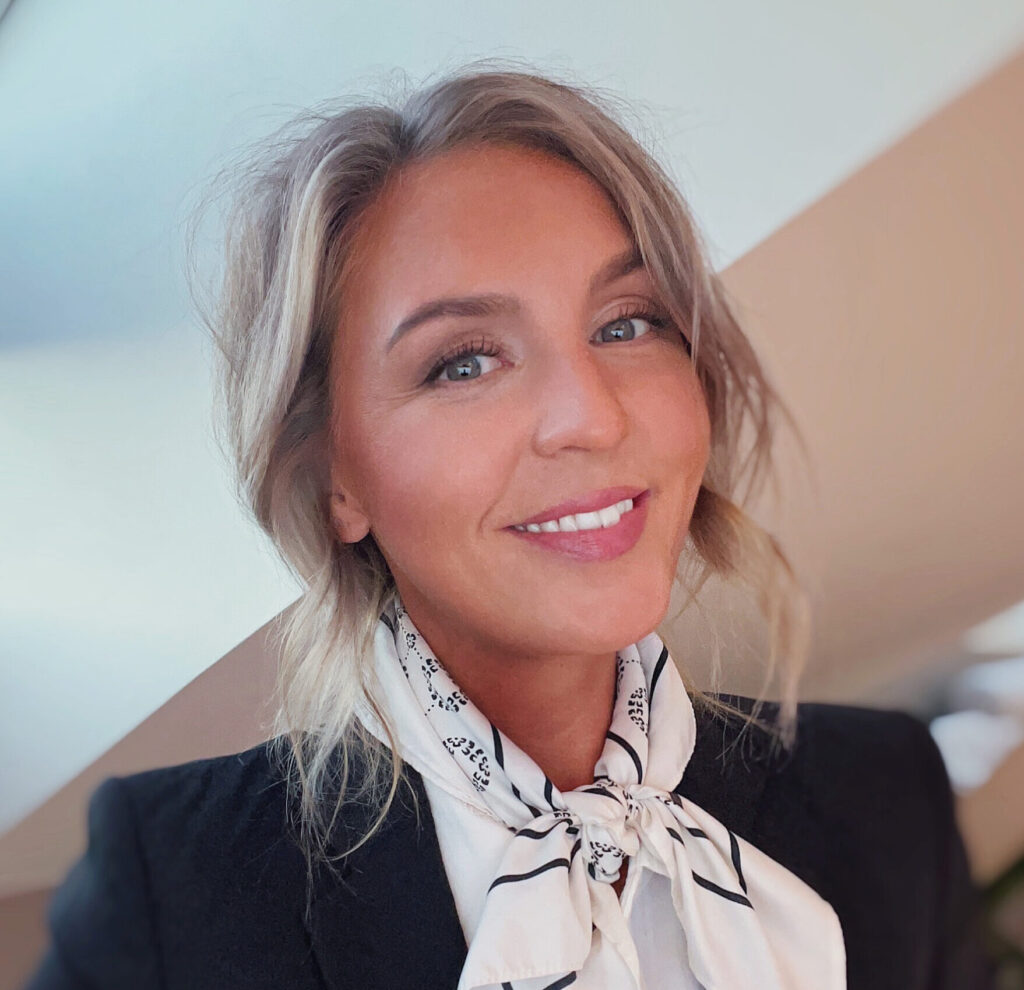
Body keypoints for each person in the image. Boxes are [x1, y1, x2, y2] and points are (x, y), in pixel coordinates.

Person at [25, 60, 994, 989]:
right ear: (333, 480)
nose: (591, 417)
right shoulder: (174, 890)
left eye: (626, 322)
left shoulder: (886, 797)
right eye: (464, 363)